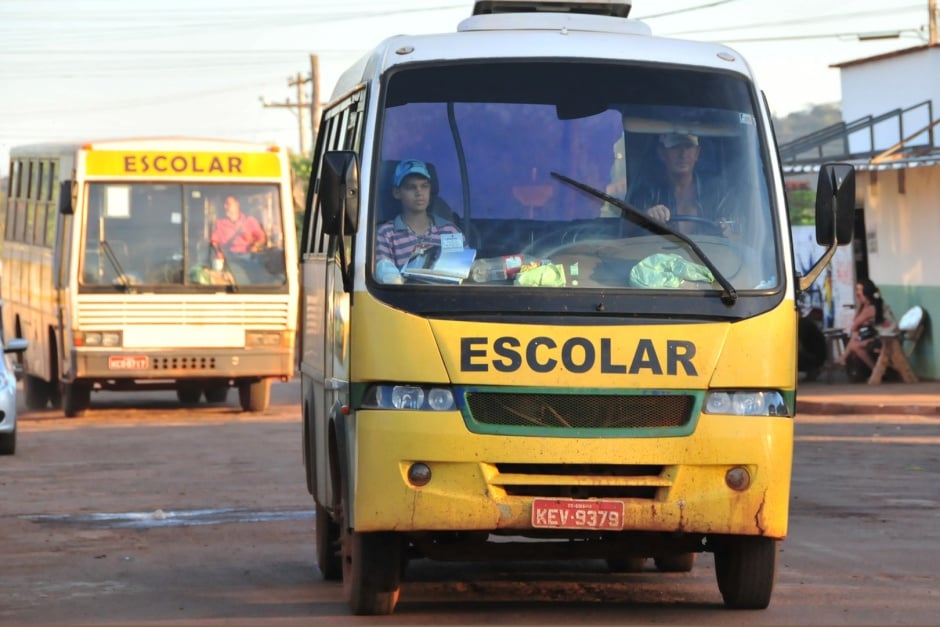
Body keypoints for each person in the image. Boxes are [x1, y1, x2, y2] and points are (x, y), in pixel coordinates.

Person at [626, 133, 739, 237]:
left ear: (697, 153)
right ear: (662, 153)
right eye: (675, 147)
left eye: (689, 146)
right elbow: (624, 229)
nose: (683, 154)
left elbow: (740, 238)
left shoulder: (717, 192)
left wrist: (727, 232)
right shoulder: (648, 192)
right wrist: (646, 217)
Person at [374, 159, 465, 284]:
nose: (419, 192)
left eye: (424, 186)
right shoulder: (387, 234)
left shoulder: (449, 231)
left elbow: (463, 272)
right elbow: (386, 274)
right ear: (397, 192)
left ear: (430, 190)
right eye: (411, 187)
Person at [836, 278, 898, 372]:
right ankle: (874, 370)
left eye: (859, 291)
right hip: (891, 338)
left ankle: (876, 371)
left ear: (866, 293)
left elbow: (854, 325)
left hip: (887, 341)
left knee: (854, 343)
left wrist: (860, 304)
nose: (857, 294)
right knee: (855, 339)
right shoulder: (878, 305)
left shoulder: (869, 310)